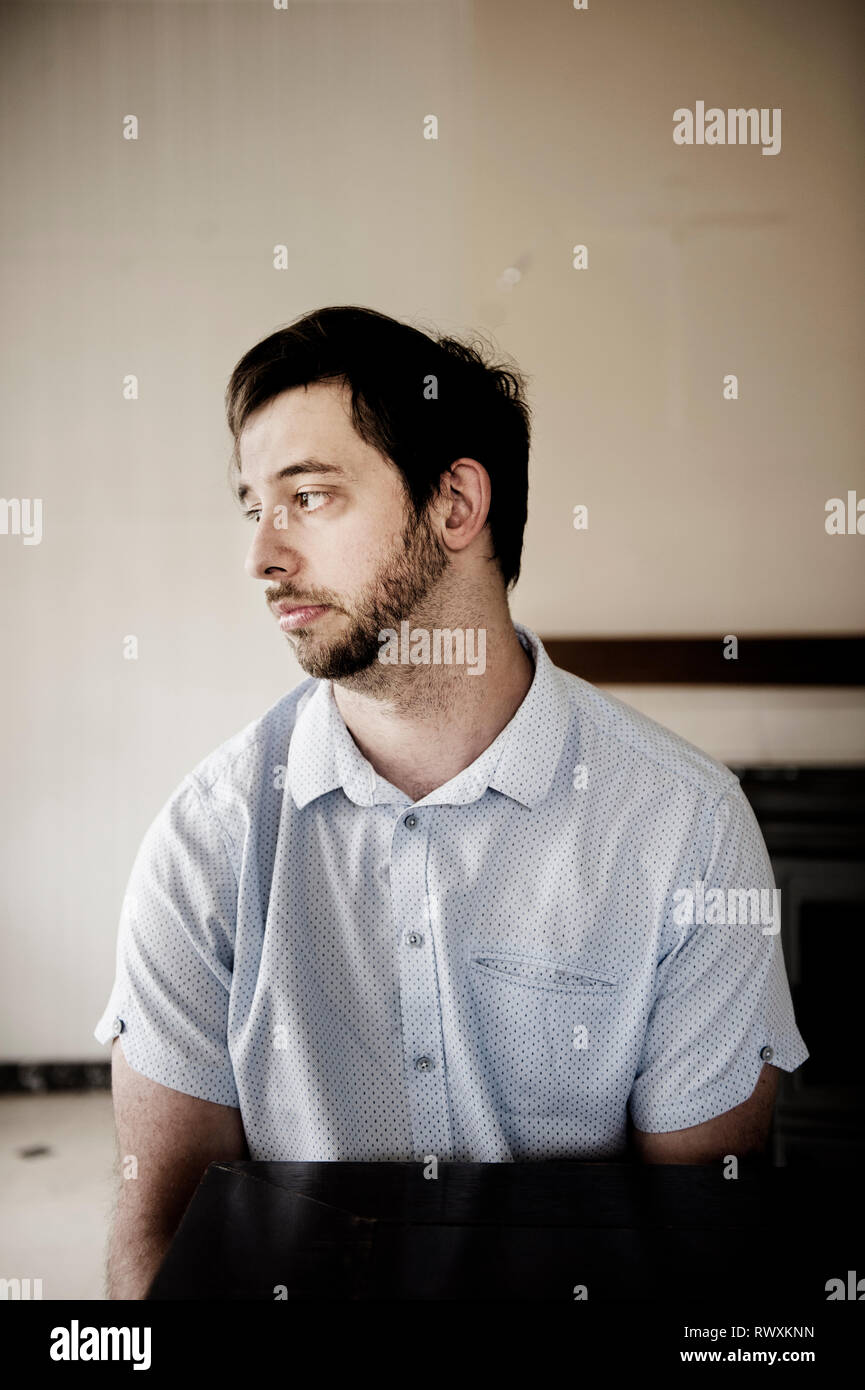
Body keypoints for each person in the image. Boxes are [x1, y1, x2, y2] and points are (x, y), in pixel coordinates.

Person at [95, 305, 808, 1298]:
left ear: (455, 504)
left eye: (307, 497)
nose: (260, 555)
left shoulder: (681, 828)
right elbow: (163, 1254)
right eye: (252, 505)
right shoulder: (204, 841)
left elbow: (699, 1258)